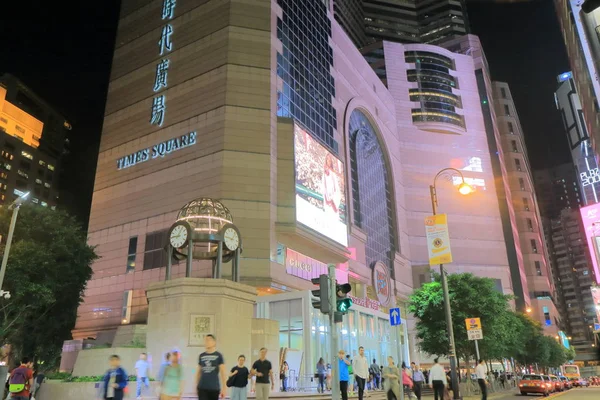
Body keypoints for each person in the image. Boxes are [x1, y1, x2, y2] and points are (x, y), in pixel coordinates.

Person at [196, 334, 227, 400]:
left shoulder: (218, 355)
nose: (206, 342)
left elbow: (223, 373)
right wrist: (196, 386)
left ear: (214, 342)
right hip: (202, 388)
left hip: (214, 388)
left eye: (209, 340)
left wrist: (224, 388)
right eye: (205, 340)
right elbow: (198, 372)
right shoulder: (201, 356)